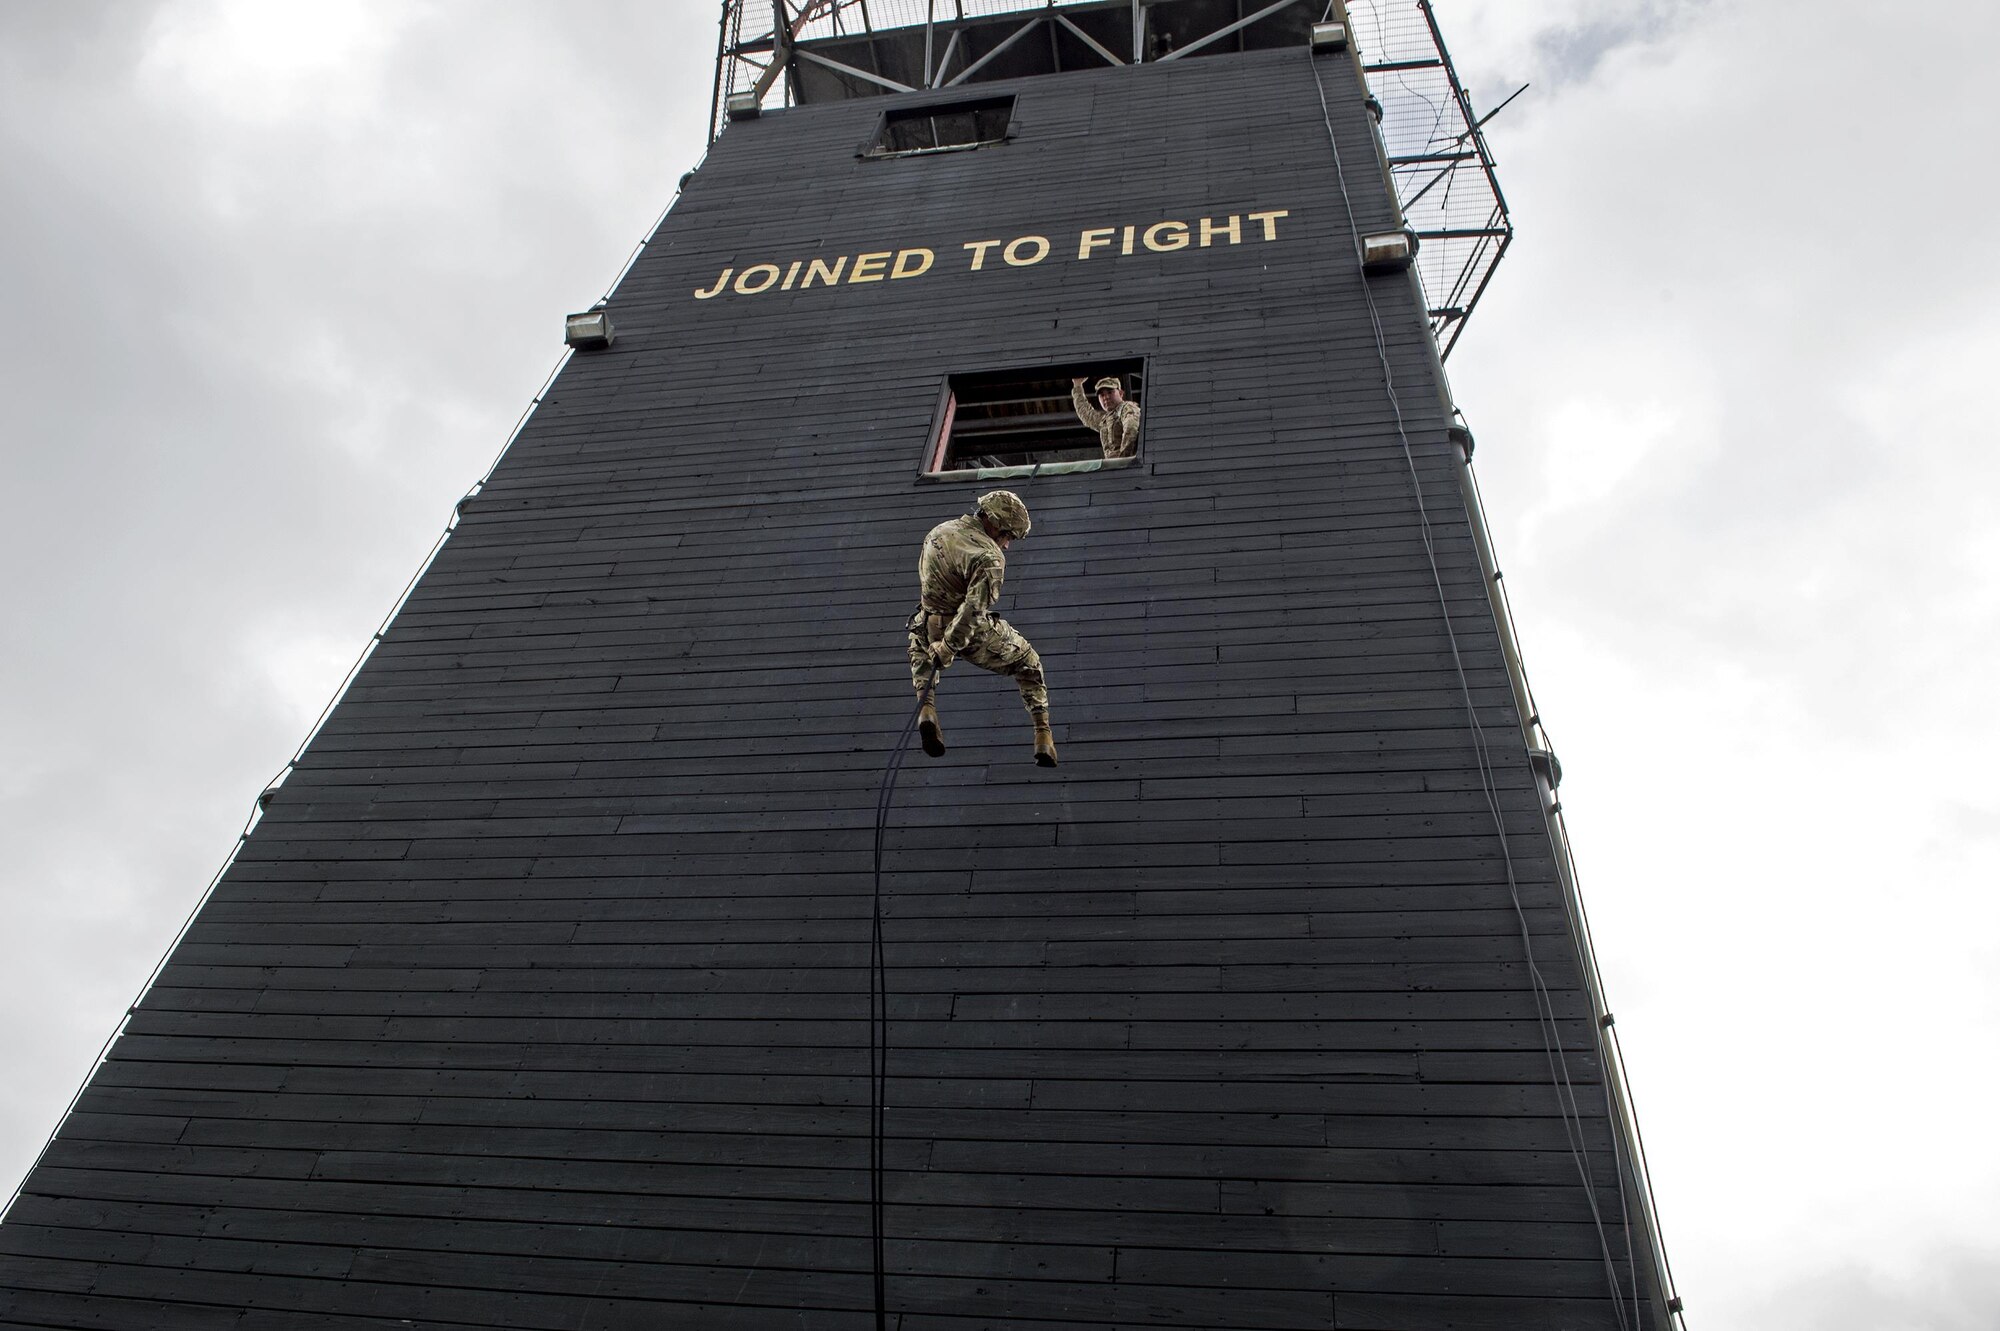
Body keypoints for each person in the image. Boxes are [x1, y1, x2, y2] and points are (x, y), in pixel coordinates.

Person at [906, 490, 1056, 767]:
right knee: (1029, 661)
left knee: (918, 643)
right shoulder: (990, 558)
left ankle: (927, 708)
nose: (1007, 545)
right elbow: (973, 611)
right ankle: (1043, 734)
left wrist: (937, 639)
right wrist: (950, 647)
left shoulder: (939, 531)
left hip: (927, 622)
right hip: (963, 632)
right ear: (995, 524)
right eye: (1008, 536)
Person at [1071, 374, 1142, 459]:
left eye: (1110, 392)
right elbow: (1086, 414)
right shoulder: (1105, 420)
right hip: (1114, 466)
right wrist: (1077, 385)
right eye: (1102, 395)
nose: (1106, 397)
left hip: (1126, 464)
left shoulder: (1126, 408)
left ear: (1120, 393)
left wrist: (1123, 459)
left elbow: (1131, 428)